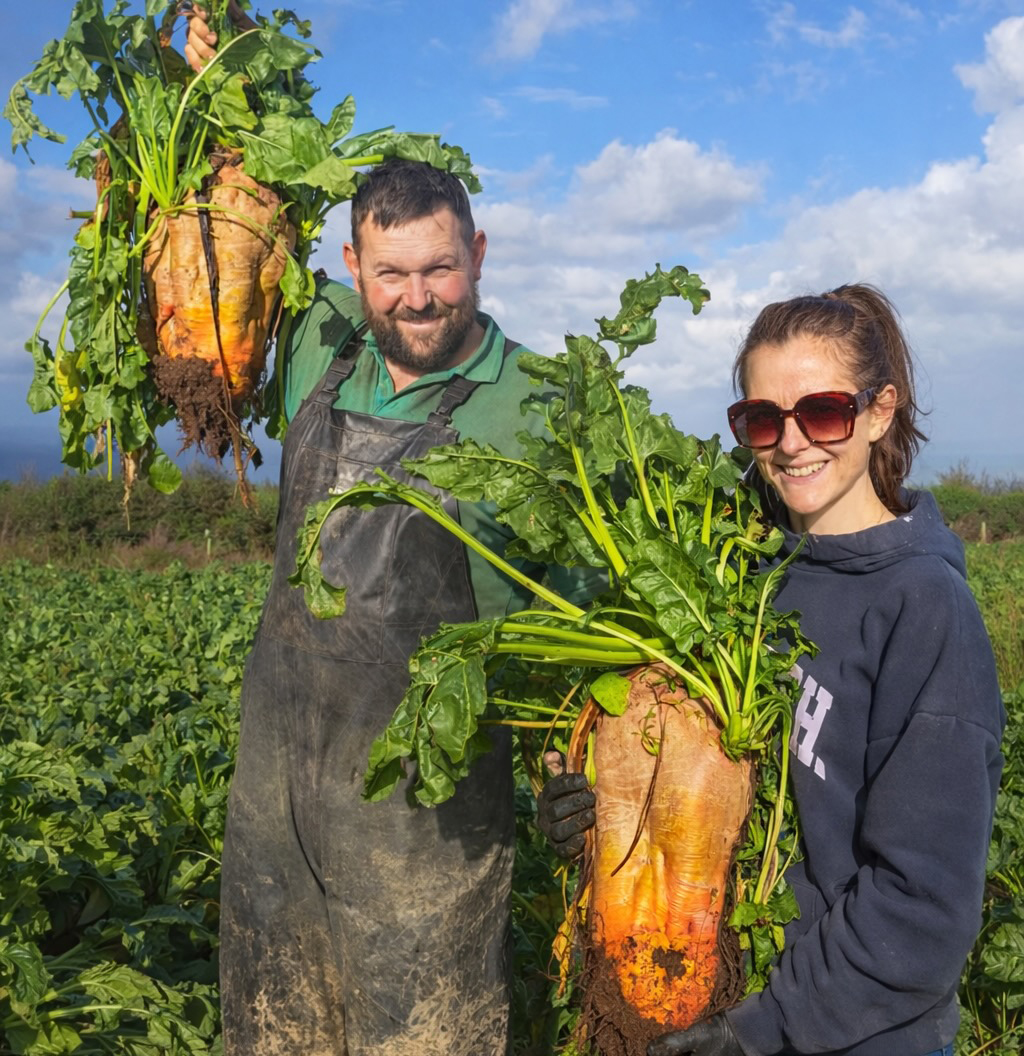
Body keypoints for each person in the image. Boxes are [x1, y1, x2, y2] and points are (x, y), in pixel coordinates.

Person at [182, 12, 600, 1055]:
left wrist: (590, 766)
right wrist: (223, 66)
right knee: (273, 1025)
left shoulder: (544, 409)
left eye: (440, 269)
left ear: (478, 253)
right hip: (276, 799)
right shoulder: (321, 336)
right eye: (391, 273)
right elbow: (258, 193)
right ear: (352, 264)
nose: (417, 298)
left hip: (430, 830)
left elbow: (601, 616)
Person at [539, 284, 1005, 1056]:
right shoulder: (734, 578)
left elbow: (922, 907)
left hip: (854, 1036)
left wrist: (761, 1028)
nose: (792, 443)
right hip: (714, 995)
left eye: (822, 412)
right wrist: (594, 813)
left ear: (879, 411)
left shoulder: (925, 609)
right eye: (762, 419)